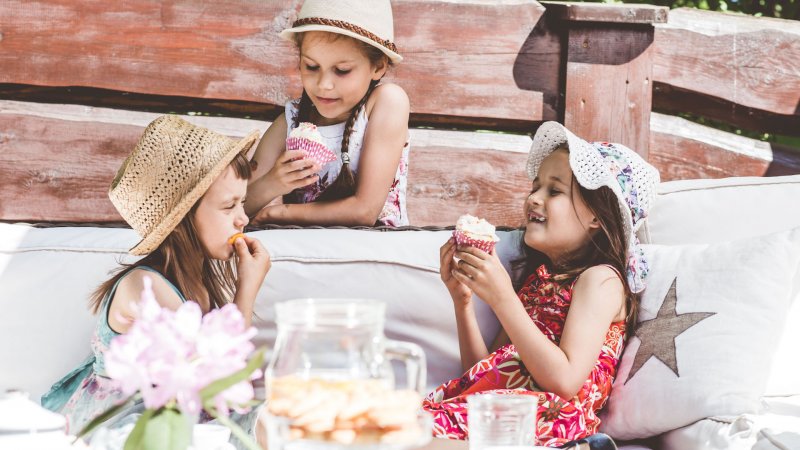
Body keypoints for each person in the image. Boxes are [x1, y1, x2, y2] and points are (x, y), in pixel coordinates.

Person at [422, 121, 660, 446]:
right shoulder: (539, 283)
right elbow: (485, 374)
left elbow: (565, 380)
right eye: (535, 187)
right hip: (504, 411)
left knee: (414, 439)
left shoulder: (601, 280)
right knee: (398, 428)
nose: (534, 198)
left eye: (554, 190)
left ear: (596, 216)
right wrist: (462, 301)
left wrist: (503, 298)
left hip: (550, 422)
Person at [41, 115, 271, 438]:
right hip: (125, 428)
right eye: (229, 206)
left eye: (243, 202)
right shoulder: (145, 288)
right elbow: (220, 381)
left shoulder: (194, 281)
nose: (243, 218)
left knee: (272, 416)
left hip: (171, 419)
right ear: (183, 221)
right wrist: (246, 288)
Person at [244, 0, 410, 227]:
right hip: (303, 253)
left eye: (342, 71)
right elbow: (236, 205)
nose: (324, 85)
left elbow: (365, 211)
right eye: (311, 66)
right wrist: (274, 182)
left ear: (378, 67)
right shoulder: (291, 121)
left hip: (373, 250)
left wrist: (280, 213)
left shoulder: (386, 102)